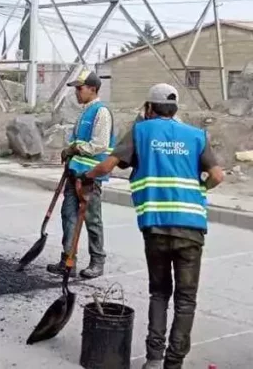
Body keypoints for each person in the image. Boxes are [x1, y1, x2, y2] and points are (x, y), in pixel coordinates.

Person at [83, 83, 224, 369]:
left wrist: (87, 174)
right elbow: (218, 176)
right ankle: (174, 362)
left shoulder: (141, 131)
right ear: (175, 109)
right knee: (186, 299)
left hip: (156, 228)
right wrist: (200, 189)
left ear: (149, 108)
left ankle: (153, 358)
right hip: (191, 229)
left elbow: (108, 165)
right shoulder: (197, 135)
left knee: (159, 293)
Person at [48, 69, 114, 279]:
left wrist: (75, 148)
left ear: (92, 89)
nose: (77, 92)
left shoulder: (101, 112)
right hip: (75, 173)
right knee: (68, 216)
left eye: (80, 88)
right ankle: (68, 260)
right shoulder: (85, 111)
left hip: (90, 176)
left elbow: (100, 145)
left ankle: (97, 261)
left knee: (92, 219)